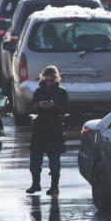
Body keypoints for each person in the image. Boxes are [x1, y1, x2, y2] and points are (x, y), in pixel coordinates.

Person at [26, 65, 69, 195]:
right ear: (43, 79)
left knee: (54, 159)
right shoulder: (38, 92)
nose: (48, 83)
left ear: (56, 79)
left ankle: (54, 186)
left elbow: (66, 109)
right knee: (35, 158)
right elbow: (31, 109)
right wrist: (38, 105)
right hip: (40, 127)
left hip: (55, 127)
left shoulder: (61, 92)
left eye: (51, 80)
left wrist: (54, 105)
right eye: (46, 80)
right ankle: (35, 183)